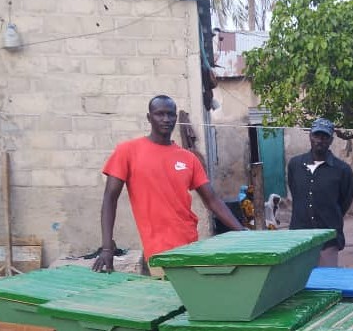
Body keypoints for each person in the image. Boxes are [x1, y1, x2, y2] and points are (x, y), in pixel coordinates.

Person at [92, 95, 244, 273]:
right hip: (159, 253)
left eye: (171, 114)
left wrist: (242, 232)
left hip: (191, 247)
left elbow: (213, 201)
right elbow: (110, 199)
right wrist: (107, 249)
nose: (166, 119)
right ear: (149, 118)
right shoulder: (127, 152)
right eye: (160, 114)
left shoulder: (188, 158)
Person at [287, 117, 353, 267]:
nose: (320, 140)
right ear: (310, 136)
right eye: (316, 135)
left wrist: (328, 214)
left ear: (331, 140)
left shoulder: (342, 170)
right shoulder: (295, 165)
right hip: (299, 239)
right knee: (300, 285)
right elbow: (295, 191)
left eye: (325, 137)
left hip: (328, 241)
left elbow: (344, 201)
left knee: (326, 284)